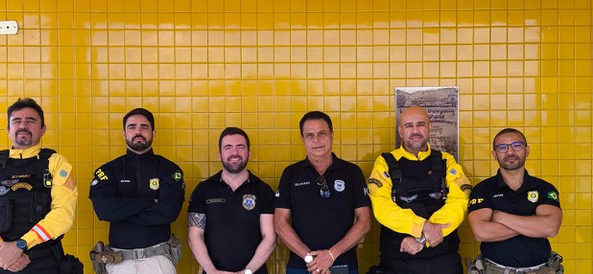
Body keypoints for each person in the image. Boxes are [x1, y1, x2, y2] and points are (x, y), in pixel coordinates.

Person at [0, 98, 79, 274]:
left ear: (43, 129)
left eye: (30, 121)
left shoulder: (56, 164)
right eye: (17, 121)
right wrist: (1, 251)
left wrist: (21, 245)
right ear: (8, 129)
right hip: (0, 261)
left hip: (45, 261)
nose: (23, 125)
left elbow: (64, 213)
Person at [367, 105, 471, 274]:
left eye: (420, 124)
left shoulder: (447, 161)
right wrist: (421, 226)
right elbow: (382, 206)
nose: (415, 131)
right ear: (400, 131)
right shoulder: (384, 162)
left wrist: (422, 239)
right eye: (409, 126)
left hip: (443, 260)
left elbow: (459, 202)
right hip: (399, 260)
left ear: (430, 128)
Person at [89, 107, 185, 274]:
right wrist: (150, 201)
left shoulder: (169, 170)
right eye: (132, 127)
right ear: (124, 134)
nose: (138, 131)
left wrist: (121, 212)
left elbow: (169, 212)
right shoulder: (108, 171)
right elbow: (104, 210)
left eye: (144, 127)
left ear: (153, 133)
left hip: (158, 260)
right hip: (119, 263)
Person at [274, 111, 371, 274]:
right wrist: (310, 258)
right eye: (310, 135)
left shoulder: (352, 173)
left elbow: (364, 221)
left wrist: (331, 255)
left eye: (322, 134)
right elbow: (279, 223)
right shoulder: (291, 174)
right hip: (301, 266)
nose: (316, 140)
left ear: (332, 135)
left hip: (343, 265)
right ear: (303, 139)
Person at [467, 128, 563, 274]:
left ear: (527, 150)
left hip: (541, 270)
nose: (510, 152)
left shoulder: (544, 188)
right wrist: (533, 224)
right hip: (494, 270)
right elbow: (481, 232)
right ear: (494, 154)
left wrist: (500, 217)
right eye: (502, 147)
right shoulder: (483, 190)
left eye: (517, 145)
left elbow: (550, 228)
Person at [188, 127, 276, 274]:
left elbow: (270, 238)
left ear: (249, 153)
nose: (234, 152)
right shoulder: (203, 190)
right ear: (220, 154)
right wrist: (212, 271)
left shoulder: (263, 191)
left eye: (240, 147)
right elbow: (194, 235)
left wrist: (247, 272)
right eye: (228, 147)